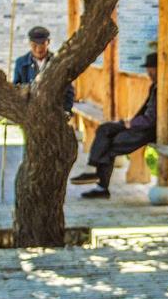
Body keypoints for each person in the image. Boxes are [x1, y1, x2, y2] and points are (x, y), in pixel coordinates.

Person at [70, 52, 158, 198]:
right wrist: (127, 122)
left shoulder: (164, 89)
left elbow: (151, 120)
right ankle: (92, 169)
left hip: (148, 130)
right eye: (148, 69)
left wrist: (130, 124)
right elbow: (144, 112)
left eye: (151, 69)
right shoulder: (154, 86)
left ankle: (101, 187)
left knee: (109, 144)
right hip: (139, 124)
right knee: (105, 129)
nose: (149, 72)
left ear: (158, 69)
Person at [13, 26, 75, 117]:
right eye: (34, 45)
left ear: (48, 42)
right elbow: (16, 88)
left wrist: (66, 110)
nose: (38, 49)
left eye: (42, 44)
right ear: (30, 44)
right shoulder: (21, 63)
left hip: (54, 111)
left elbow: (69, 90)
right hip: (30, 113)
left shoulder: (58, 62)